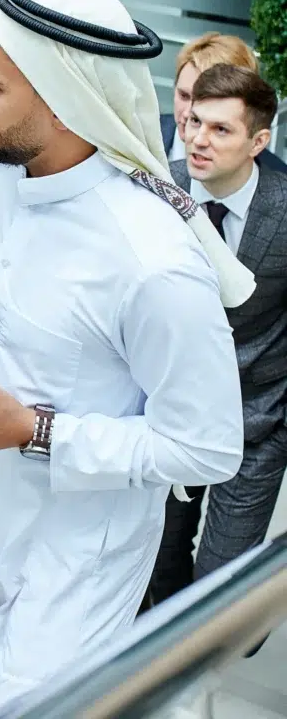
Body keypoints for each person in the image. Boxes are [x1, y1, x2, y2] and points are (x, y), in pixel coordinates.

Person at [0, 0, 246, 719]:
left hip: (74, 560)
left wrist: (37, 432)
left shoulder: (152, 260)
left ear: (59, 97)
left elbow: (210, 447)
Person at [150, 65, 287, 605]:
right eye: (195, 122)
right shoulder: (159, 190)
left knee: (219, 598)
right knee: (155, 568)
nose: (198, 140)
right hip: (169, 415)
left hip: (256, 421)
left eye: (221, 130)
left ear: (259, 141)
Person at [162, 31, 286, 173]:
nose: (188, 113)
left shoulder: (278, 181)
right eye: (184, 96)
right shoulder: (138, 136)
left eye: (207, 102)